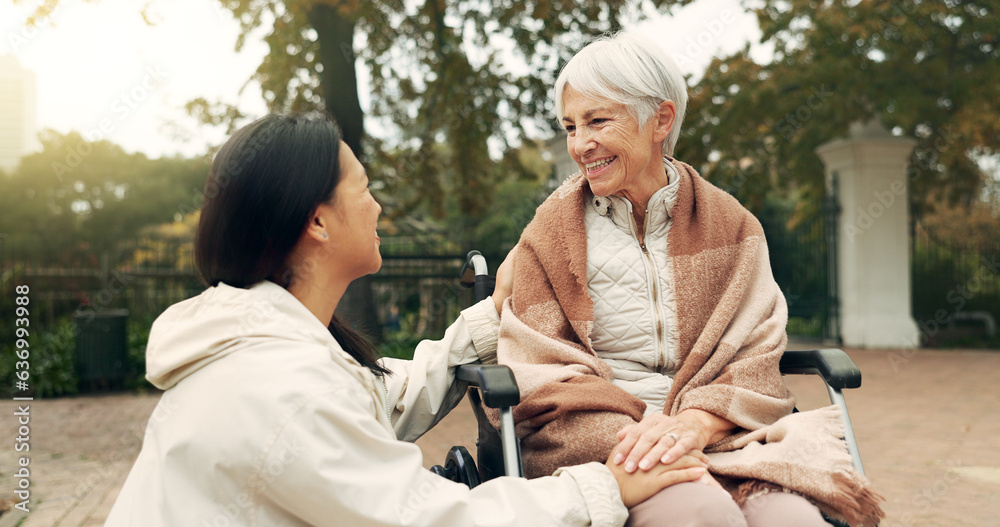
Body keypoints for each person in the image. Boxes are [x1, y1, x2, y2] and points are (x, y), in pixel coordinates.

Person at [104, 113, 708, 526]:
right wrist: (603, 488)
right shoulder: (279, 387)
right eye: (364, 189)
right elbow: (426, 517)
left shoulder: (271, 343)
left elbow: (381, 399)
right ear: (317, 223)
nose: (378, 205)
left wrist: (491, 316)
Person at [496, 32, 883, 527]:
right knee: (701, 512)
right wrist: (649, 439)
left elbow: (755, 355)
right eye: (571, 126)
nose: (580, 144)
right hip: (599, 439)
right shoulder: (548, 237)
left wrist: (693, 426)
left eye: (597, 121)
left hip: (723, 433)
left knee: (793, 520)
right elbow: (539, 371)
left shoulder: (733, 226)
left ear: (661, 120)